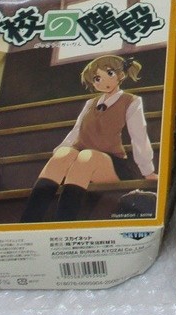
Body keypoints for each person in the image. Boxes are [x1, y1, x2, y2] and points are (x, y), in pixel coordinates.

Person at [23, 53, 155, 216]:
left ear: (121, 75)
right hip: (81, 159)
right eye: (97, 78)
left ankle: (64, 220)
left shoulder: (131, 101)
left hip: (111, 164)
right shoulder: (90, 103)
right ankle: (29, 219)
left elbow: (139, 136)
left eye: (109, 73)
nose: (102, 81)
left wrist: (148, 171)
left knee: (87, 157)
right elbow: (76, 131)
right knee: (63, 154)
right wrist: (62, 155)